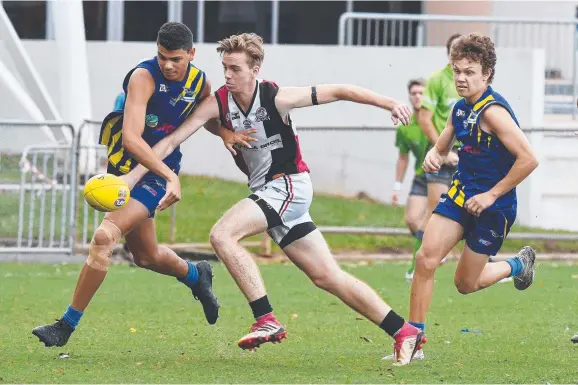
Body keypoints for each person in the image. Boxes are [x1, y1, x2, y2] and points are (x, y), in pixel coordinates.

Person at [121, 32, 425, 366]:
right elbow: (171, 140)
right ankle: (403, 331)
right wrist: (132, 178)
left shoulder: (277, 97)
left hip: (289, 186)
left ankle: (265, 317)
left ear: (255, 68)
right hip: (270, 194)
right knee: (327, 277)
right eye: (225, 67)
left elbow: (340, 90)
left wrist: (390, 103)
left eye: (235, 68)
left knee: (222, 235)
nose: (228, 75)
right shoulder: (218, 102)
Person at [32, 22, 220, 348]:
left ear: (191, 54)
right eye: (162, 57)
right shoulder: (143, 77)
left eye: (176, 58)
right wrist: (168, 174)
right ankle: (196, 274)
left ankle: (66, 325)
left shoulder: (200, 81)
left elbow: (209, 117)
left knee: (104, 236)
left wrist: (229, 136)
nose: (168, 64)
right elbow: (132, 139)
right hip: (124, 170)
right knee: (145, 257)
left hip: (155, 177)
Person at [406, 33, 538, 359]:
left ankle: (518, 264)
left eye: (469, 72)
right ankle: (413, 343)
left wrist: (492, 195)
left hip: (495, 206)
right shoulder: (458, 109)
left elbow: (529, 159)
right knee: (425, 259)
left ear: (486, 74)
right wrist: (434, 157)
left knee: (465, 284)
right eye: (457, 71)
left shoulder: (493, 113)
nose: (461, 78)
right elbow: (441, 147)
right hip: (460, 195)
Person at [413, 33, 462, 268]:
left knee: (481, 210)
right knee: (435, 211)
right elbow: (425, 119)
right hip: (443, 157)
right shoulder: (437, 80)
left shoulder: (474, 81)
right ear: (448, 53)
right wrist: (442, 150)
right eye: (456, 49)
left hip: (469, 158)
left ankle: (487, 262)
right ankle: (420, 263)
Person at [391, 78, 429, 281]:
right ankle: (436, 247)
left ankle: (415, 269)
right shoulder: (406, 125)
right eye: (413, 93)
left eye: (421, 93)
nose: (417, 96)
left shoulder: (438, 118)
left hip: (446, 176)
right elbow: (403, 158)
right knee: (412, 220)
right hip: (422, 176)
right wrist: (397, 187)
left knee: (430, 223)